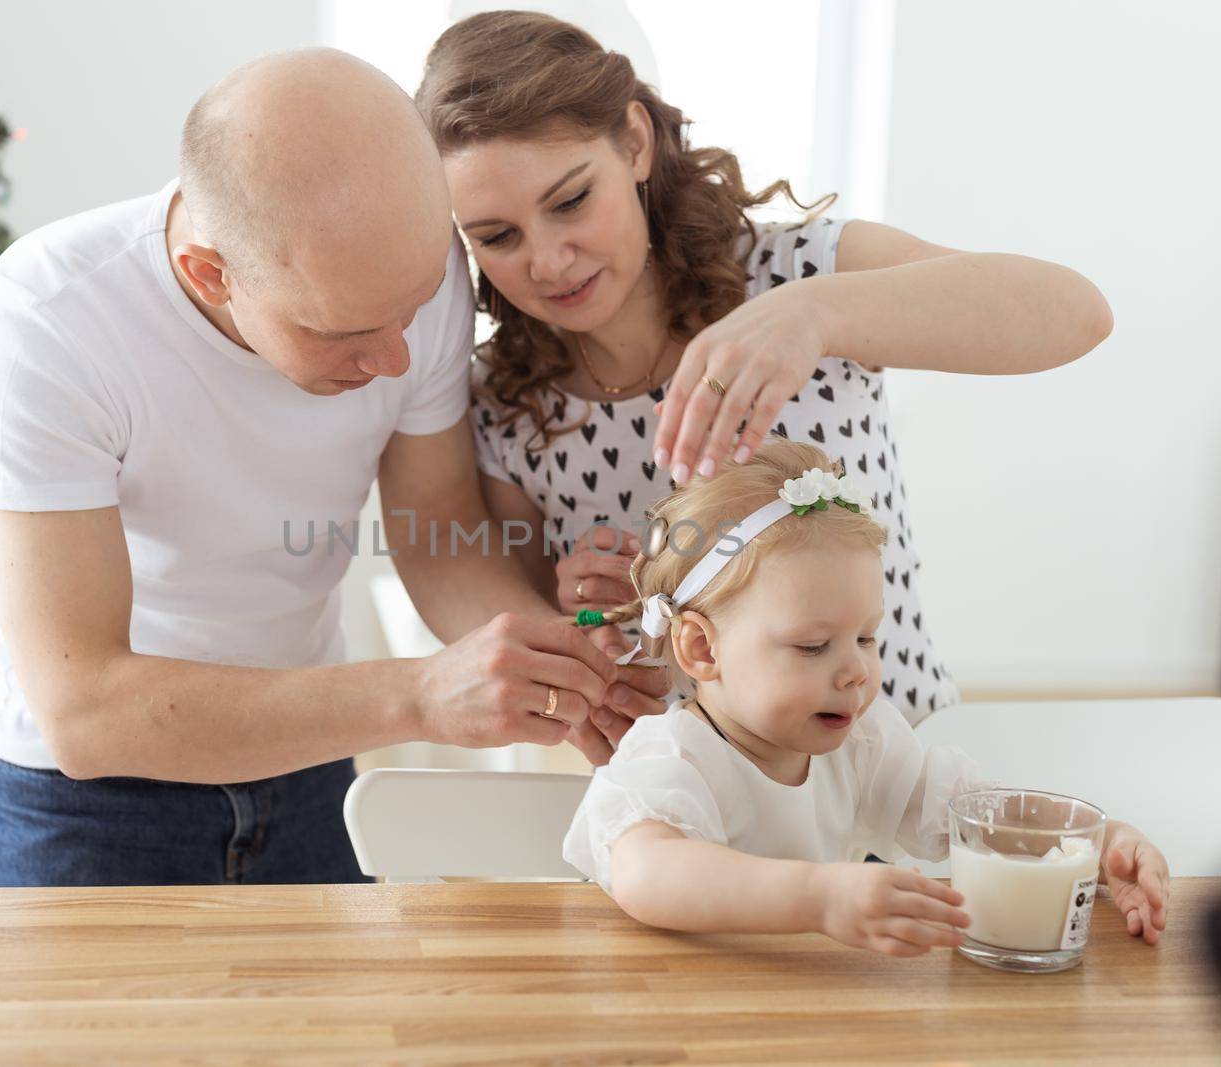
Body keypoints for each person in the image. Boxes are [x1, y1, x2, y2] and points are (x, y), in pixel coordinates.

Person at [0, 48, 666, 888]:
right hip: (88, 801)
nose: (396, 358)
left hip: (313, 760)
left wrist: (555, 670)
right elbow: (87, 709)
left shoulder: (410, 274)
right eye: (344, 331)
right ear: (210, 275)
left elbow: (438, 536)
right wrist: (422, 696)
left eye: (414, 307)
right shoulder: (43, 324)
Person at [415, 11, 1114, 740]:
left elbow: (1077, 315)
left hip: (898, 770)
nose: (549, 260)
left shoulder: (797, 273)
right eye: (497, 237)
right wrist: (589, 609)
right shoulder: (505, 397)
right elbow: (534, 618)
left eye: (570, 201)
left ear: (635, 142)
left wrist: (815, 315)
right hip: (690, 813)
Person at [561, 438, 1171, 955]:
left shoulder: (862, 744)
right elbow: (647, 872)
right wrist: (821, 897)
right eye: (812, 646)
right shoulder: (672, 756)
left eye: (866, 637)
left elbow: (975, 816)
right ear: (702, 650)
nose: (855, 671)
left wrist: (1100, 844)